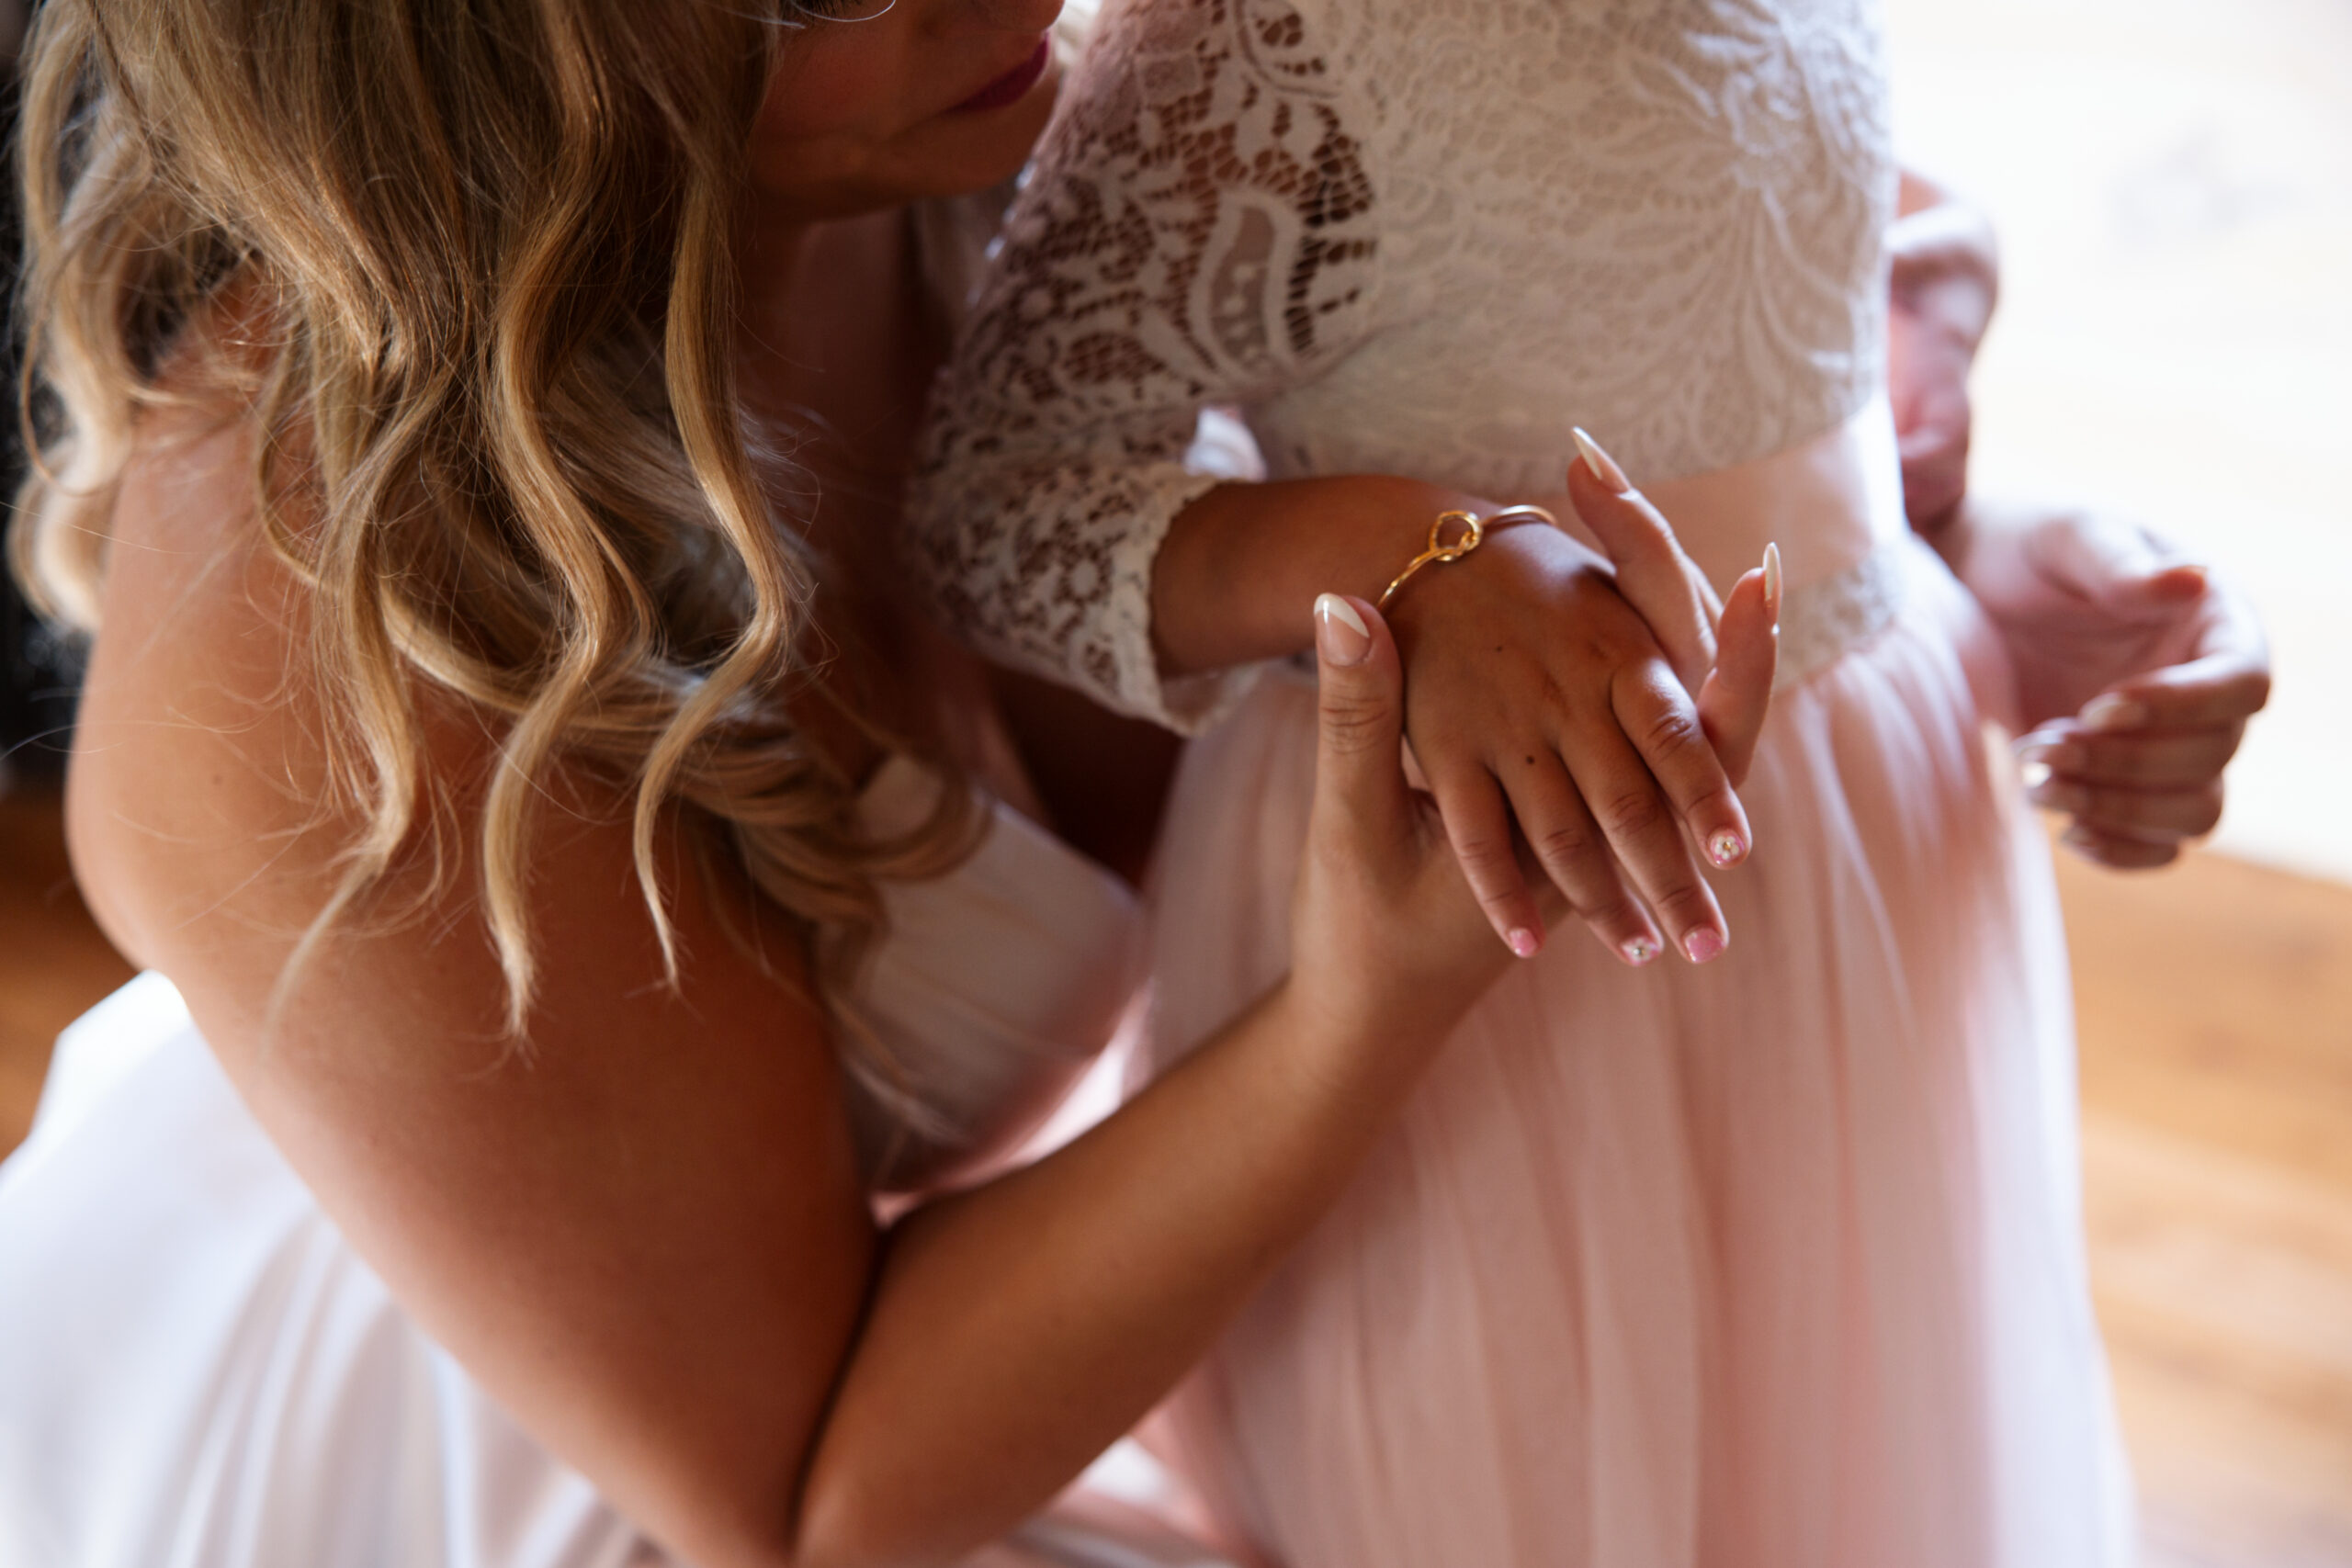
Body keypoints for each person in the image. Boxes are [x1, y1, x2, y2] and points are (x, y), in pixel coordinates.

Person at [0, 1, 1773, 1563]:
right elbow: (793, 1502)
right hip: (508, 1466)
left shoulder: (955, 145)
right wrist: (1360, 1011)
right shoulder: (330, 612)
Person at [910, 1, 2272, 1563]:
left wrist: (2051, 579)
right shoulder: (1252, 48)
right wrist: (1397, 558)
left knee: (1850, 1439)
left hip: (1858, 897)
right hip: (1491, 922)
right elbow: (991, 515)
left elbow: (1776, 409)